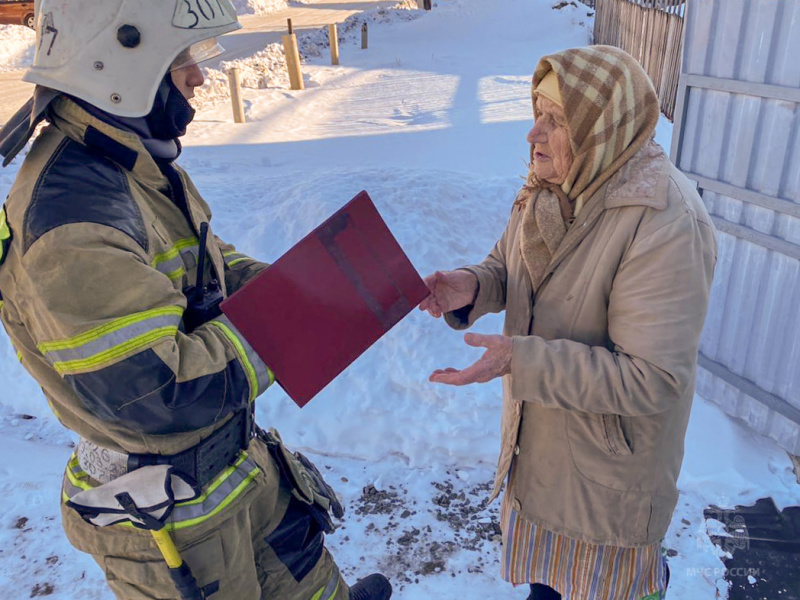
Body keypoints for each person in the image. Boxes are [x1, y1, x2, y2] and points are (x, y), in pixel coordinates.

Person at [0, 2, 392, 599]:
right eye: (180, 56)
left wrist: (312, 285)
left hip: (234, 470)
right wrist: (297, 318)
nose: (198, 74)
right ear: (119, 63)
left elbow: (205, 265)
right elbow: (159, 391)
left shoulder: (130, 160)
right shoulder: (73, 220)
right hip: (172, 519)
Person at [420, 45, 716, 600]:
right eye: (536, 113)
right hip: (541, 460)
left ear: (601, 125)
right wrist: (475, 285)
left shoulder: (664, 220)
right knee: (546, 590)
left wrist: (520, 359)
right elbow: (511, 267)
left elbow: (653, 378)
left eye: (554, 120)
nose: (532, 134)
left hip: (606, 480)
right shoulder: (550, 188)